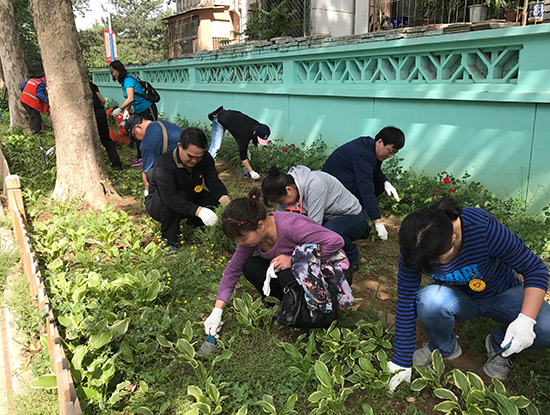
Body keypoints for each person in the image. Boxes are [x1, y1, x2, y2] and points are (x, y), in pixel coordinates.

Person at [387, 197, 550, 391]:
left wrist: (526, 321)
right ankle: (442, 346)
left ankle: (499, 345)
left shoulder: (483, 228)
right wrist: (401, 360)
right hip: (455, 296)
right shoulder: (415, 244)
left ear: (453, 241)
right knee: (429, 300)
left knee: (546, 327)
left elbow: (534, 269)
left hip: (502, 291)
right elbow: (406, 298)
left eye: (437, 261)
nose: (433, 266)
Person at [204, 189, 352, 336]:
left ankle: (315, 318)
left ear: (260, 225)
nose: (240, 243)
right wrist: (217, 311)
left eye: (242, 238)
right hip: (299, 271)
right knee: (251, 266)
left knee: (287, 274)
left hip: (330, 269)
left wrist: (294, 260)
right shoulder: (252, 237)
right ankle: (286, 305)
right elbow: (233, 270)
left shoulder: (291, 225)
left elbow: (336, 241)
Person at [261, 165, 367, 273]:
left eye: (281, 202)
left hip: (352, 216)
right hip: (326, 216)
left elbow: (314, 226)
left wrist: (295, 256)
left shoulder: (315, 184)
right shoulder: (284, 188)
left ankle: (351, 256)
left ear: (289, 190)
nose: (282, 205)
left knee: (329, 233)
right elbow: (280, 221)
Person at [145, 127, 230, 253]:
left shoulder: (206, 159)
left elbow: (214, 183)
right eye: (190, 156)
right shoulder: (164, 164)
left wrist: (226, 202)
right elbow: (169, 197)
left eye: (198, 157)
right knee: (174, 200)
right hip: (160, 202)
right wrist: (199, 211)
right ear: (179, 146)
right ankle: (168, 240)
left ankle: (194, 224)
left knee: (214, 203)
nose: (195, 160)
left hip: (190, 193)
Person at [322, 126, 405, 241]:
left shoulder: (369, 146)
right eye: (390, 151)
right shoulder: (362, 154)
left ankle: (355, 213)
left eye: (394, 153)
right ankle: (355, 218)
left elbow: (374, 170)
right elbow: (366, 189)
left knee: (378, 184)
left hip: (341, 182)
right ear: (380, 142)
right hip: (332, 190)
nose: (390, 156)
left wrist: (385, 182)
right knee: (366, 189)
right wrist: (378, 222)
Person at [109, 60, 158, 167]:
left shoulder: (128, 81)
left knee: (152, 131)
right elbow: (131, 100)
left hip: (147, 108)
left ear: (118, 70)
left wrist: (120, 109)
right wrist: (126, 112)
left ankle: (156, 156)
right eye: (111, 72)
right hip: (138, 110)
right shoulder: (123, 83)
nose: (113, 74)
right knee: (136, 133)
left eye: (113, 72)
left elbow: (130, 98)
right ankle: (140, 157)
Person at [207, 106, 270, 180]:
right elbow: (242, 157)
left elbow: (252, 138)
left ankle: (247, 174)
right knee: (216, 146)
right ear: (254, 133)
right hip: (220, 119)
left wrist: (253, 144)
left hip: (233, 123)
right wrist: (252, 171)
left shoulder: (258, 126)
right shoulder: (245, 134)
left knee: (245, 150)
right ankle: (207, 171)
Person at [124, 115, 182, 194]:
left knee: (151, 174)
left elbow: (146, 171)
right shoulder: (162, 123)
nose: (137, 139)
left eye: (134, 135)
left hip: (182, 167)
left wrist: (147, 191)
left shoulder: (147, 143)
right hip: (196, 156)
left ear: (139, 127)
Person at [90, 81, 123, 171]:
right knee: (106, 139)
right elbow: (102, 100)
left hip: (89, 114)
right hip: (100, 113)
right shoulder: (92, 85)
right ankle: (116, 164)